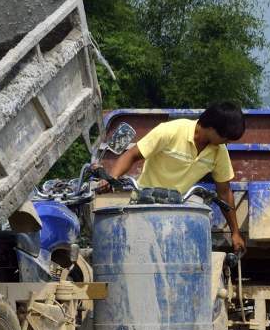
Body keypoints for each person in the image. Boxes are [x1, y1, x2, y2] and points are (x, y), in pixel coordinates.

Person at [101, 105, 250, 254]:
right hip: (145, 201)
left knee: (193, 240)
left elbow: (224, 192)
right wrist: (112, 178)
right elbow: (132, 155)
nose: (227, 143)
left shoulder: (219, 151)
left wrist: (235, 233)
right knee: (137, 251)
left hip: (179, 206)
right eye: (225, 138)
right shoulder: (170, 130)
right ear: (211, 128)